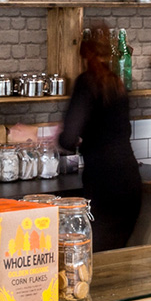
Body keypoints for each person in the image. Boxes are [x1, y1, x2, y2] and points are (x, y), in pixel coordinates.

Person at [59, 23, 141, 251]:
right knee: (117, 255)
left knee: (98, 256)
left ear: (85, 54)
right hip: (130, 181)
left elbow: (68, 139)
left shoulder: (87, 83)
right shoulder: (117, 83)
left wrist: (51, 136)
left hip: (104, 183)